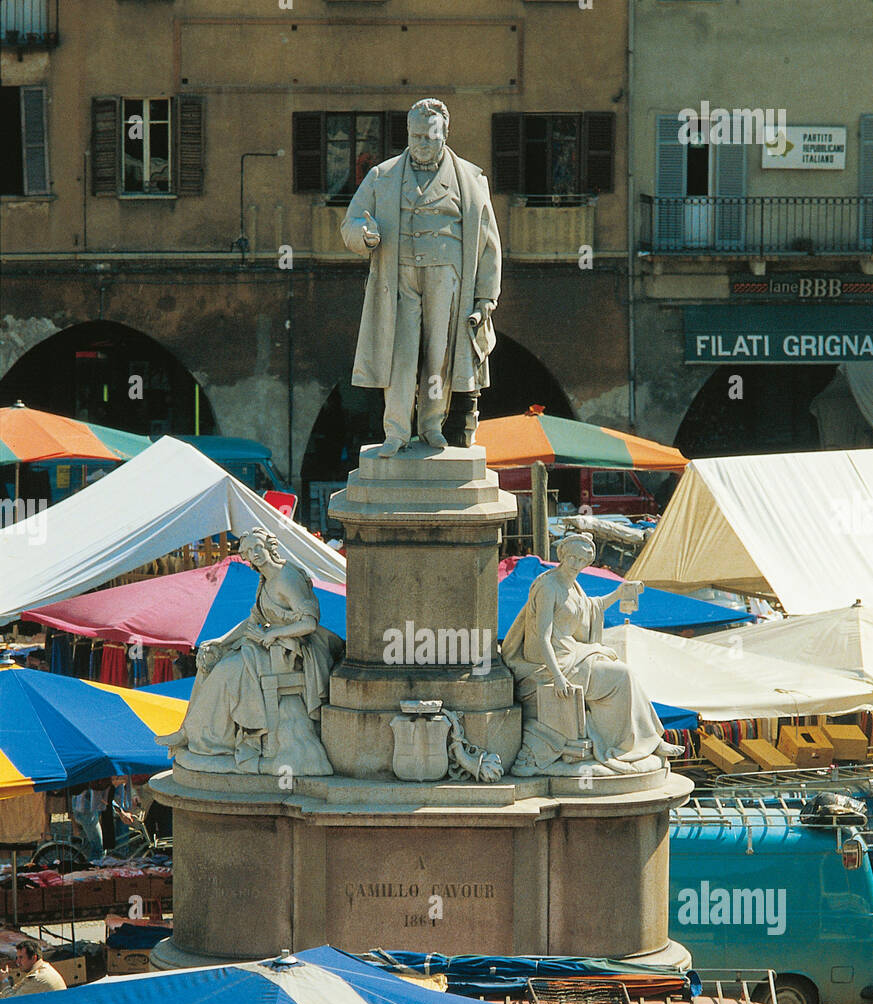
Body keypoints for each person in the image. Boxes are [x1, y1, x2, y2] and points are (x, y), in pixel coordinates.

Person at [341, 98, 501, 456]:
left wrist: (485, 297)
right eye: (416, 137)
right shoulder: (381, 177)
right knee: (401, 354)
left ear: (445, 134)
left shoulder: (472, 181)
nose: (423, 144)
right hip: (400, 278)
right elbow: (350, 223)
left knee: (438, 356)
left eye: (431, 137)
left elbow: (490, 243)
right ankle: (396, 429)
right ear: (408, 135)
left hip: (447, 280)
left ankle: (431, 425)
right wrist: (363, 235)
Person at [158, 529, 342, 775]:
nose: (254, 555)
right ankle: (190, 731)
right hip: (270, 645)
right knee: (213, 659)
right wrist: (220, 641)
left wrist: (272, 634)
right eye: (248, 552)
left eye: (257, 548)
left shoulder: (286, 578)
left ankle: (211, 740)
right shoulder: (266, 579)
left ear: (269, 546)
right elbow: (253, 620)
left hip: (295, 653)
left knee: (227, 671)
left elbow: (309, 624)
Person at [502, 533, 679, 776]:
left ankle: (645, 740)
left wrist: (618, 594)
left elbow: (591, 608)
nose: (575, 563)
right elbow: (542, 636)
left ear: (587, 562)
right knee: (622, 676)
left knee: (624, 673)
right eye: (571, 557)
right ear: (562, 555)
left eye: (581, 559)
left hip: (573, 653)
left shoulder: (573, 585)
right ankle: (638, 742)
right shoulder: (548, 586)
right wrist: (557, 677)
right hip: (554, 663)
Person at [0, 941, 67, 999]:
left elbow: (12, 1001)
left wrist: (4, 981)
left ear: (33, 958)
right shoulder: (44, 968)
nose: (17, 962)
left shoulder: (38, 978)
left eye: (21, 958)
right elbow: (16, 990)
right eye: (17, 958)